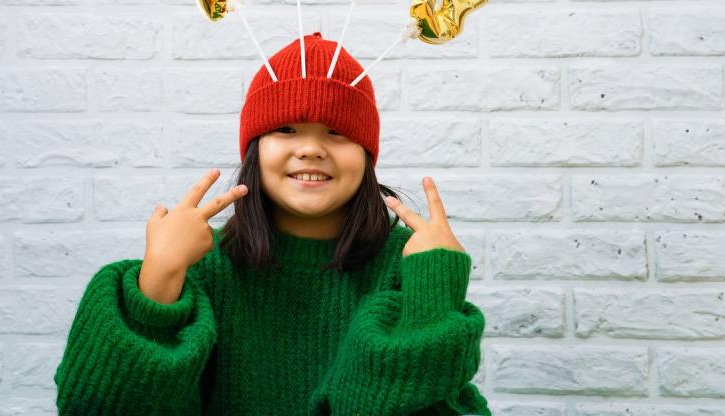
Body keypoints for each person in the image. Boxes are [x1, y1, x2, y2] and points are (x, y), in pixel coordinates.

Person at [52, 32, 491, 416]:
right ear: (254, 151)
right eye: (285, 128)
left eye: (336, 132)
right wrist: (159, 278)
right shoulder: (205, 268)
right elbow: (96, 406)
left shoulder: (409, 264)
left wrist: (434, 294)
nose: (311, 149)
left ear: (367, 155)